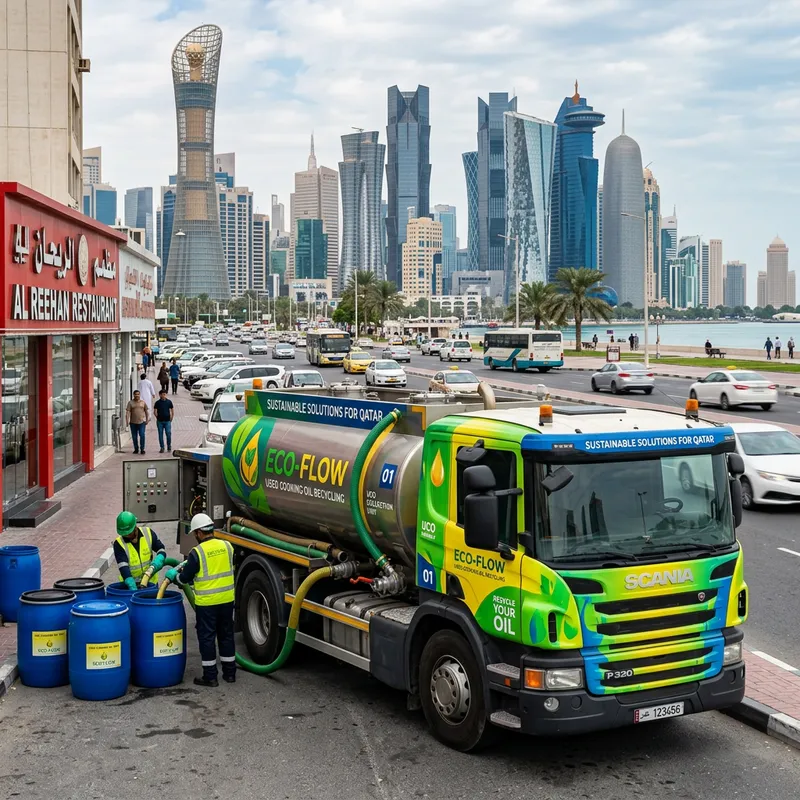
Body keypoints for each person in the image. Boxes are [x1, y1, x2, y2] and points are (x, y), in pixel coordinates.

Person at [166, 513, 236, 687]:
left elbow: (184, 579)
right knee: (226, 636)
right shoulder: (228, 546)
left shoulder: (197, 553)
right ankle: (230, 674)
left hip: (207, 603)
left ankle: (210, 677)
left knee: (207, 638)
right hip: (227, 599)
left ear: (198, 532)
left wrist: (174, 576)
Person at [114, 511, 168, 591]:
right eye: (124, 534)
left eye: (129, 533)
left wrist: (159, 559)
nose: (127, 536)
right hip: (131, 586)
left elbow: (160, 548)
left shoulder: (148, 533)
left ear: (135, 526)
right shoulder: (119, 543)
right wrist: (130, 583)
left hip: (150, 584)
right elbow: (123, 566)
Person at [125, 389, 149, 454]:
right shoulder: (130, 403)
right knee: (134, 437)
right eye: (135, 394)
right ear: (133, 395)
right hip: (133, 423)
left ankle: (142, 449)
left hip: (141, 422)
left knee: (142, 435)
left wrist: (147, 420)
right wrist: (127, 421)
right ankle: (136, 449)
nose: (137, 395)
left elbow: (146, 411)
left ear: (139, 395)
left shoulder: (143, 402)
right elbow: (128, 412)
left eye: (138, 394)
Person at [154, 389, 174, 453]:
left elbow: (172, 410)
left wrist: (171, 417)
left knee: (168, 433)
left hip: (167, 421)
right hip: (160, 421)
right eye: (163, 394)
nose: (164, 395)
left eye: (165, 394)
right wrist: (157, 417)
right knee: (160, 434)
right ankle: (162, 447)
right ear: (160, 395)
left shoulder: (169, 402)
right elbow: (155, 411)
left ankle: (169, 446)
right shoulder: (157, 403)